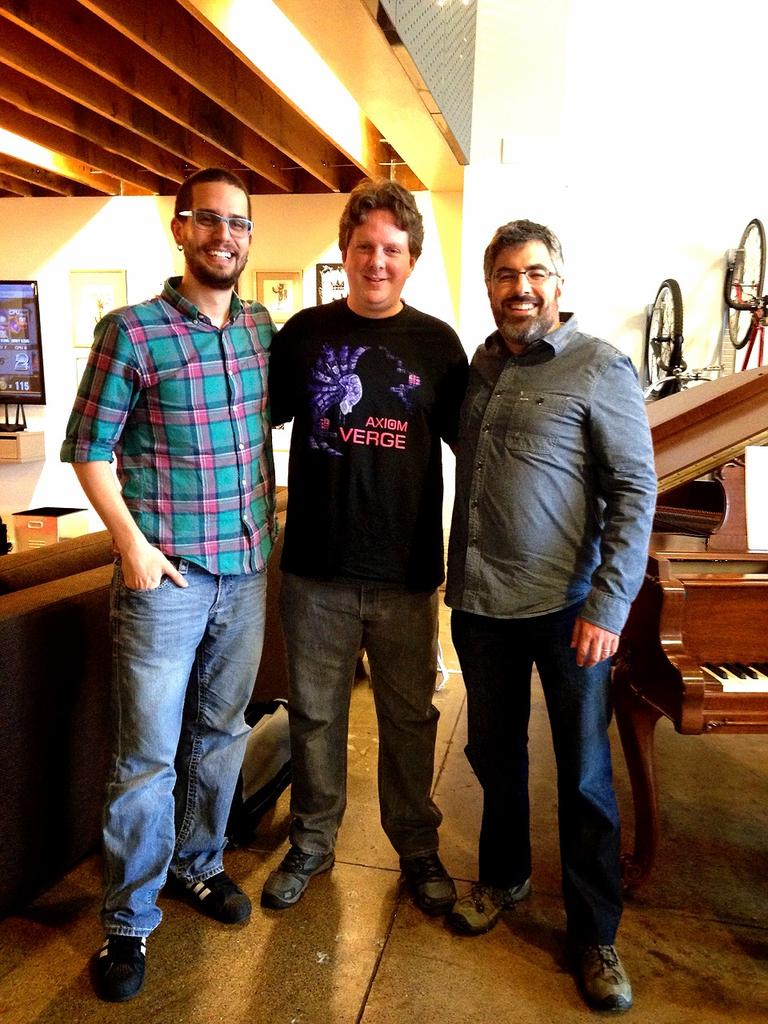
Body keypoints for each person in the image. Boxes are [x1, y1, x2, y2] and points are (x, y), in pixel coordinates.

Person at [61, 168, 276, 1002]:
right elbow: (89, 448)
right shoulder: (132, 331)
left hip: (245, 571)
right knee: (145, 758)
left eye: (239, 224)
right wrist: (132, 546)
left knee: (220, 735)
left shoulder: (259, 329)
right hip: (167, 581)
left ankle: (198, 864)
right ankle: (128, 921)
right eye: (209, 221)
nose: (226, 236)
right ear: (180, 228)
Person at [445, 220, 656, 1014]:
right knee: (494, 756)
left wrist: (609, 604)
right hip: (480, 605)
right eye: (505, 274)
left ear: (559, 284)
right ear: (490, 285)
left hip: (570, 612)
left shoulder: (599, 366)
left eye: (535, 273)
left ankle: (595, 933)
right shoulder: (480, 365)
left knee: (585, 775)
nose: (520, 288)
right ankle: (504, 878)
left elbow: (635, 490)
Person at [263, 178, 468, 915]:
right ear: (345, 253)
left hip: (406, 574)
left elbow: (478, 453)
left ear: (411, 259)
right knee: (316, 715)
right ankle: (312, 842)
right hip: (315, 568)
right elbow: (245, 426)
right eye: (364, 247)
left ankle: (416, 847)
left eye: (391, 249)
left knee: (410, 719)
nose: (376, 261)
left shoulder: (438, 346)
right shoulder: (303, 336)